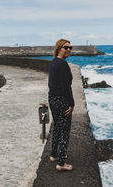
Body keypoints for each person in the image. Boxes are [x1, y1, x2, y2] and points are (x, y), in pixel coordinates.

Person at [48, 38, 74, 171]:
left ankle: (54, 154)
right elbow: (66, 87)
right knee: (64, 131)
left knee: (57, 126)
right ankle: (61, 162)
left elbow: (52, 84)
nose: (69, 50)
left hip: (52, 99)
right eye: (66, 47)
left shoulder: (53, 63)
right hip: (62, 100)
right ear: (59, 48)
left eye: (70, 48)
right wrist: (72, 104)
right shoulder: (63, 64)